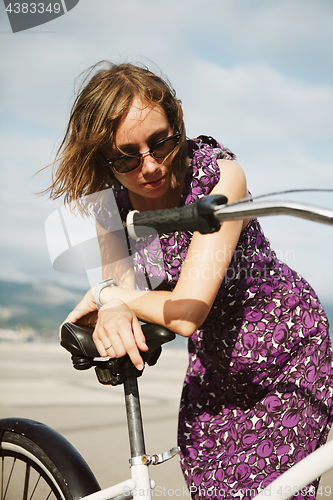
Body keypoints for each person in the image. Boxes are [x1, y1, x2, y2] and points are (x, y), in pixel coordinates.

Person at [48, 62, 333, 498]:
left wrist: (104, 293)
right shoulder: (110, 206)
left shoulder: (220, 177)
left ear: (176, 124)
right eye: (126, 155)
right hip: (215, 366)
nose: (149, 165)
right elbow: (125, 299)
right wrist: (112, 304)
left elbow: (186, 312)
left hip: (285, 354)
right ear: (103, 159)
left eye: (160, 143)